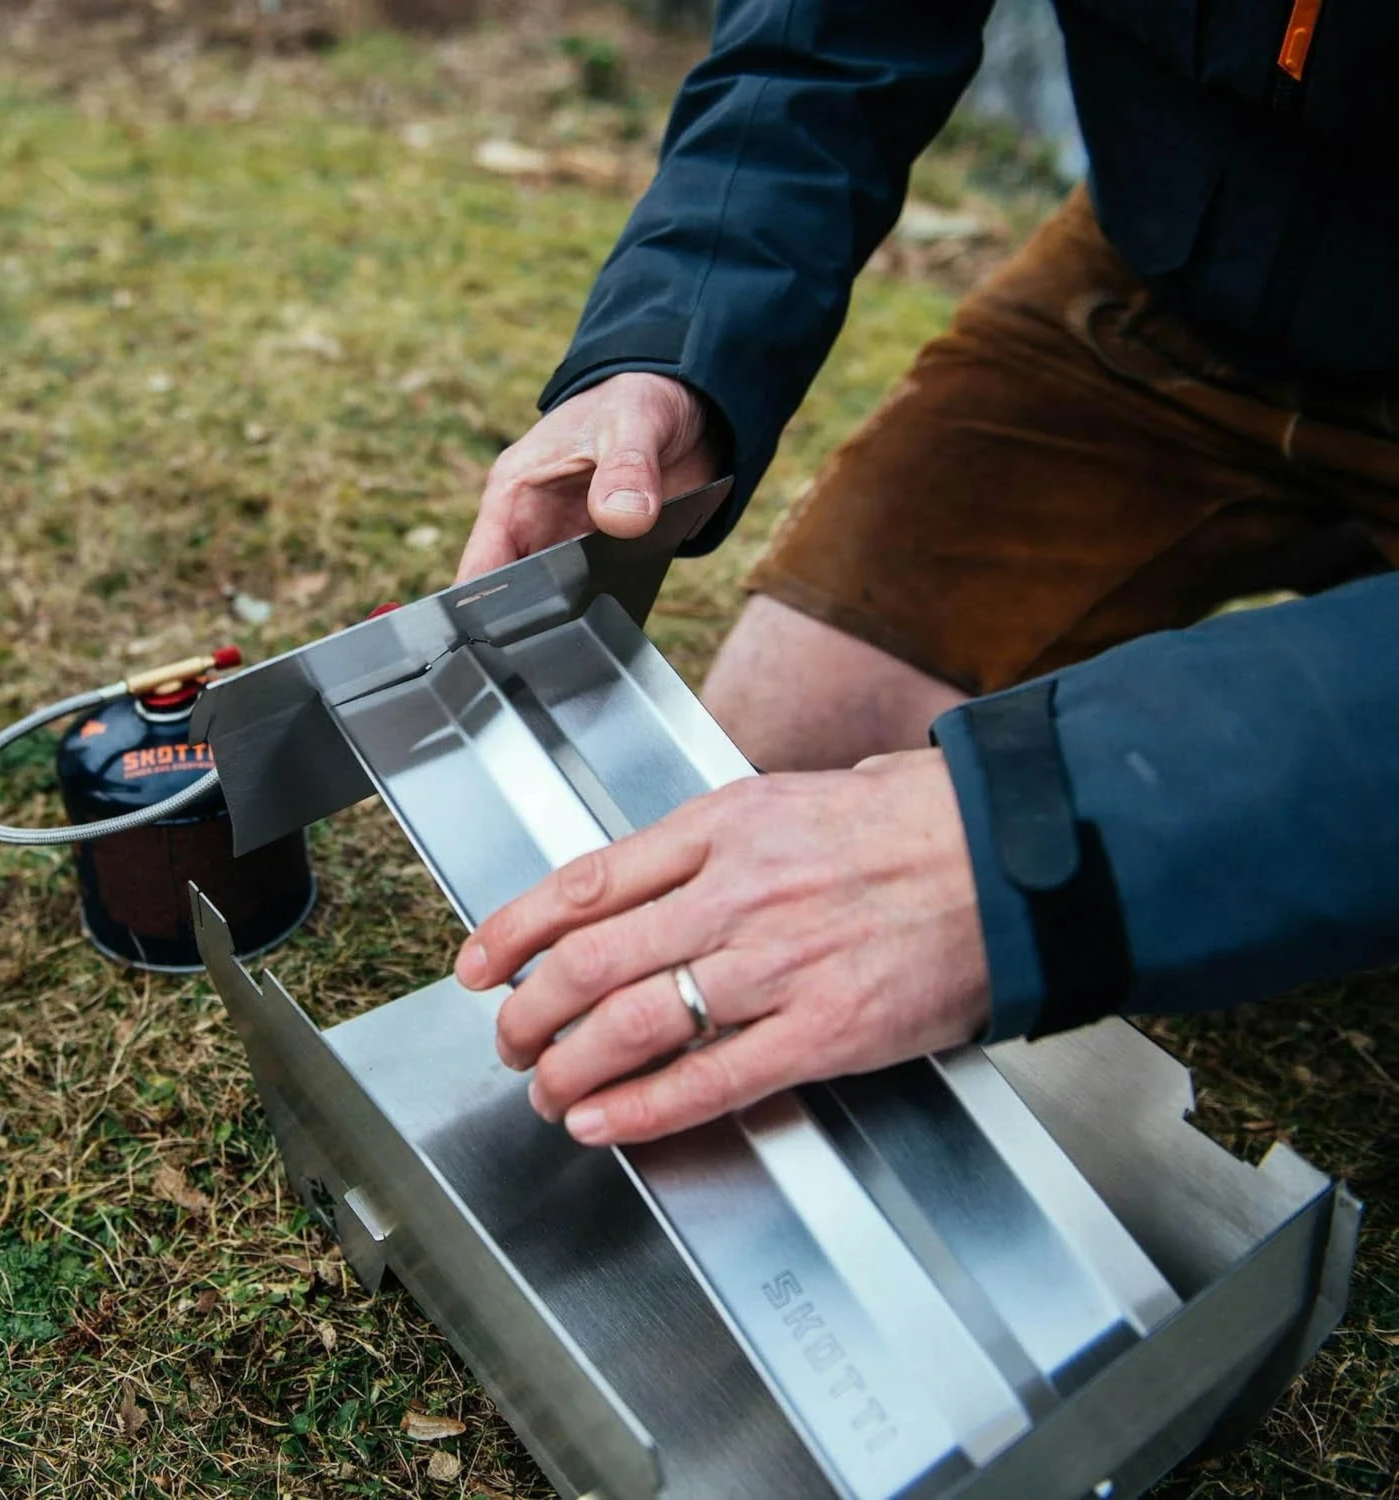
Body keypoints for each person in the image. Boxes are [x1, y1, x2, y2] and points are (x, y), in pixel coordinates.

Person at [452, 0, 1399, 1148]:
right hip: (1164, 288)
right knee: (751, 794)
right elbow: (827, 38)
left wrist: (1012, 848)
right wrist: (670, 354)